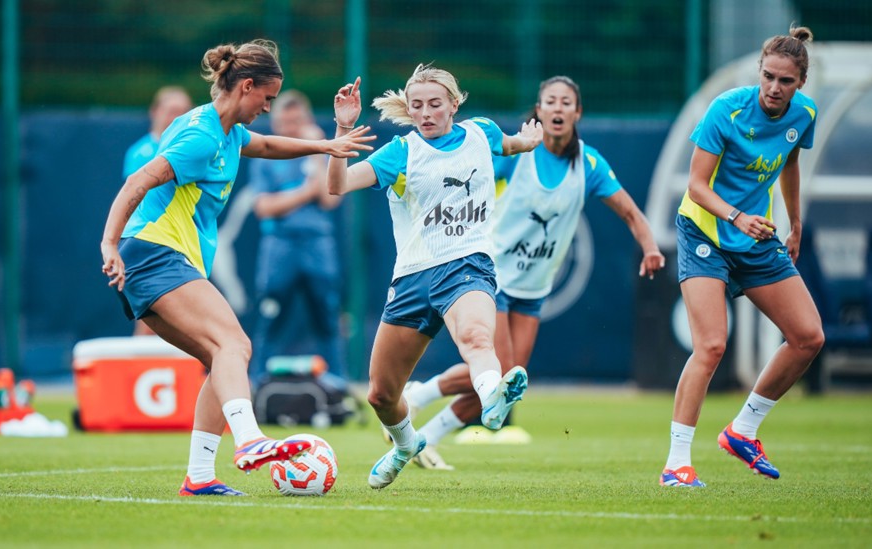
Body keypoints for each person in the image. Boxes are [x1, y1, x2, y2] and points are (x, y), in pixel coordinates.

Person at [100, 39, 374, 497]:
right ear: (246, 86)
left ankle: (201, 478)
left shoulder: (227, 132)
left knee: (219, 358)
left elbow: (266, 145)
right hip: (153, 253)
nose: (267, 107)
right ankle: (249, 441)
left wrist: (328, 143)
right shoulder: (202, 135)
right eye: (266, 98)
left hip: (157, 259)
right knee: (235, 343)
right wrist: (110, 242)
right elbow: (138, 180)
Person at [402, 75, 666, 470]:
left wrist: (649, 246)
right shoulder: (518, 153)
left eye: (566, 102)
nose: (557, 108)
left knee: (509, 382)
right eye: (550, 101)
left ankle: (425, 438)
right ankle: (417, 397)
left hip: (535, 285)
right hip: (492, 274)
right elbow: (461, 173)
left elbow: (629, 211)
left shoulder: (589, 163)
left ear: (577, 112)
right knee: (502, 370)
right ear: (538, 110)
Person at [327, 65, 543, 489]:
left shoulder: (481, 132)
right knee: (381, 395)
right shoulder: (401, 152)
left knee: (477, 339)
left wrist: (529, 141)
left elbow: (512, 144)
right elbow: (338, 186)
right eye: (417, 105)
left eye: (434, 104)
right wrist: (341, 131)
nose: (425, 113)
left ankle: (491, 397)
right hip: (411, 279)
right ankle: (407, 445)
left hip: (467, 265)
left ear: (454, 105)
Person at [659, 26, 824, 487]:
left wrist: (795, 223)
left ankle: (743, 431)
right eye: (768, 76)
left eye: (785, 81)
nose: (774, 87)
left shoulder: (805, 114)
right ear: (759, 72)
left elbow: (789, 161)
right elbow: (695, 185)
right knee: (711, 345)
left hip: (757, 237)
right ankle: (676, 465)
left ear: (800, 83)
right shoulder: (726, 109)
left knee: (808, 337)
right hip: (705, 231)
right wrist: (736, 217)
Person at [248, 89, 347, 387]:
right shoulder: (264, 158)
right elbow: (264, 207)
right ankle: (257, 383)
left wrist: (318, 152)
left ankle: (338, 385)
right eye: (285, 122)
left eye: (296, 122)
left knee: (327, 315)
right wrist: (305, 192)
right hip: (280, 245)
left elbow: (330, 199)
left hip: (317, 245)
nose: (290, 128)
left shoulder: (322, 153)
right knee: (271, 314)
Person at [121, 86, 194, 336]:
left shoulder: (188, 147)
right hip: (152, 242)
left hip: (182, 240)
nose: (177, 117)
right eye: (172, 110)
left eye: (184, 112)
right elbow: (137, 196)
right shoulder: (142, 152)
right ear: (155, 112)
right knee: (151, 318)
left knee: (185, 317)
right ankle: (139, 370)